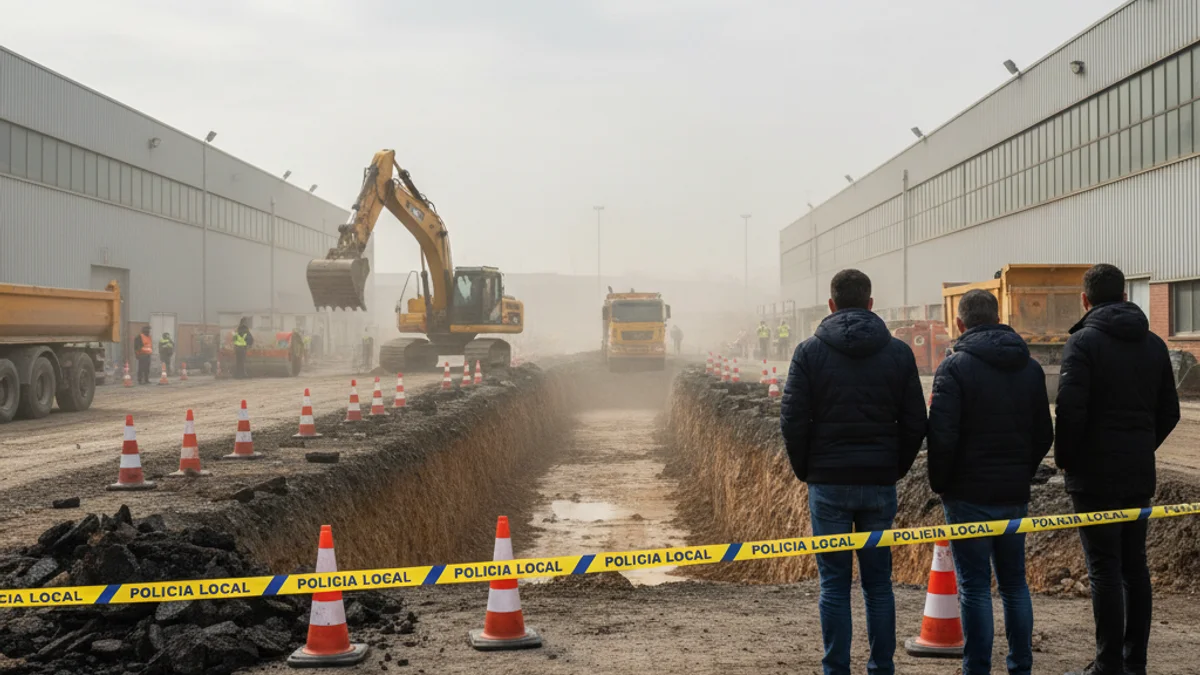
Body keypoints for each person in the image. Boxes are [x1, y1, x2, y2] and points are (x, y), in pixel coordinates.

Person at [780, 268, 926, 675]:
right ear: (870, 303)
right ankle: (882, 668)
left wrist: (808, 469)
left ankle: (836, 669)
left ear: (831, 305)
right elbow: (916, 420)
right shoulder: (898, 353)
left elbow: (792, 420)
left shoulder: (809, 352)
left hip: (827, 484)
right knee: (879, 585)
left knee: (833, 586)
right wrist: (894, 468)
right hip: (879, 482)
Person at [1056, 264, 1180, 675]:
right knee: (1135, 566)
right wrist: (1142, 446)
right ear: (1126, 298)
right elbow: (1170, 412)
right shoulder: (1155, 344)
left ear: (1085, 300)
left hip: (1094, 479)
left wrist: (1067, 461)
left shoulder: (1082, 344)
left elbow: (1071, 414)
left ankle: (1108, 664)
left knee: (1104, 569)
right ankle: (1135, 662)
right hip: (1137, 473)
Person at [927, 289, 1053, 675]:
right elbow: (1043, 433)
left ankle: (977, 668)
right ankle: (1020, 666)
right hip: (1013, 493)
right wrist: (1022, 471)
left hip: (967, 495)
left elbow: (942, 437)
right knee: (1015, 584)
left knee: (975, 587)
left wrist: (941, 484)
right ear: (998, 318)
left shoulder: (955, 367)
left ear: (961, 324)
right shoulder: (1029, 367)